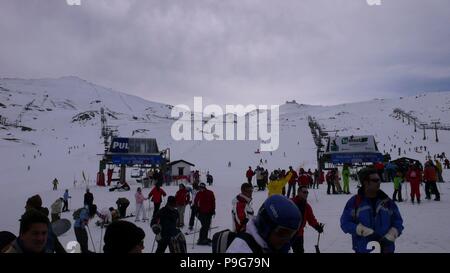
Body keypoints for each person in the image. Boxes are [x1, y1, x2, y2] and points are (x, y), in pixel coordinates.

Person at [340, 167, 404, 253]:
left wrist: (391, 235)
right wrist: (364, 231)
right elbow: (345, 223)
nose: (379, 182)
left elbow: (398, 221)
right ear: (365, 182)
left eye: (379, 180)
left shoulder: (387, 202)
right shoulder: (354, 202)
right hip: (363, 249)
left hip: (386, 249)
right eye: (375, 180)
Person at [226, 195, 302, 253]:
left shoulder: (275, 246)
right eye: (282, 233)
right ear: (265, 227)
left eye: (291, 234)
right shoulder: (241, 250)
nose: (286, 239)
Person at [291, 186, 324, 253]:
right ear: (299, 193)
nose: (306, 194)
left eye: (307, 192)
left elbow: (311, 219)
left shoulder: (307, 206)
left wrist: (317, 227)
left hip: (299, 234)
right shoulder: (291, 202)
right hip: (287, 233)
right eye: (304, 192)